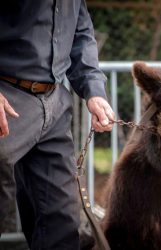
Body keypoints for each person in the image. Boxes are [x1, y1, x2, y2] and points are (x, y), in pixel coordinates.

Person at [0, 1, 115, 249]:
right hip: (5, 98)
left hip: (54, 104)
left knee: (62, 221)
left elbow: (80, 33)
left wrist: (93, 90)